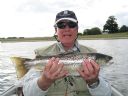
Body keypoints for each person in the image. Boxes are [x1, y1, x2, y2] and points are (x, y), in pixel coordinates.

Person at [23, 10, 112, 96]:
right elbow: (28, 93)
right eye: (61, 25)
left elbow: (107, 93)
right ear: (55, 30)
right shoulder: (40, 53)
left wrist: (94, 82)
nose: (67, 29)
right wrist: (44, 81)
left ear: (77, 29)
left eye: (71, 24)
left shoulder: (92, 53)